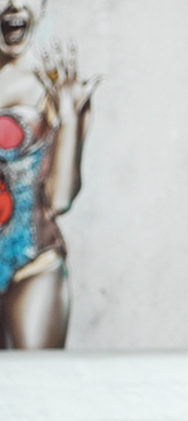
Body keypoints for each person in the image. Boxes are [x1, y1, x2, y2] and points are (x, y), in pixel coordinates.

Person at [0, 0, 99, 348]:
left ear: (41, 6)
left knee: (40, 374)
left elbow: (60, 200)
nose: (13, 5)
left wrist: (69, 117)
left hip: (34, 265)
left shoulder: (54, 85)